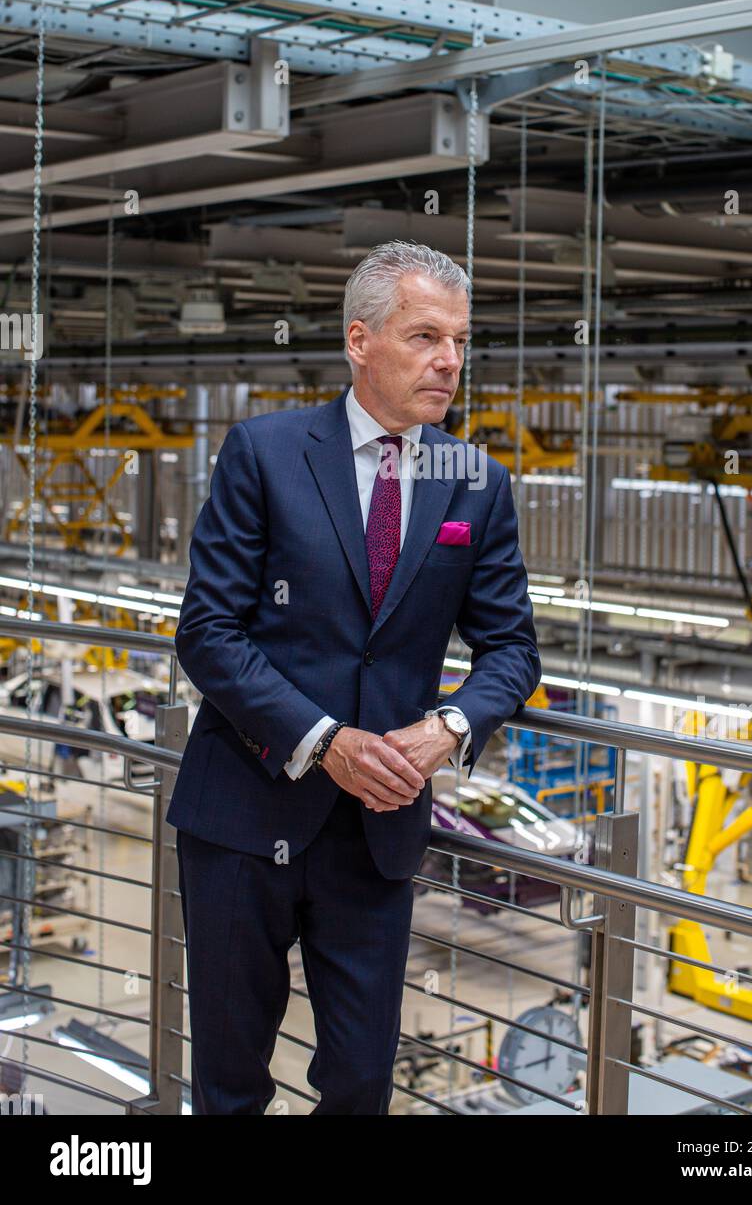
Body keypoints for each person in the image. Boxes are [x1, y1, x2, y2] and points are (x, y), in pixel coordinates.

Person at [167, 241, 542, 1115]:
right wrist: (321, 740)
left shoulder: (473, 481)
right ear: (360, 340)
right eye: (424, 336)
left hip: (378, 831)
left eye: (459, 339)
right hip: (245, 813)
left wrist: (450, 727)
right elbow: (208, 632)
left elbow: (513, 650)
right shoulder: (266, 451)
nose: (449, 360)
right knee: (228, 1082)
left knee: (361, 1084)